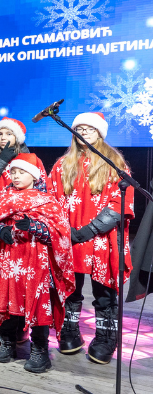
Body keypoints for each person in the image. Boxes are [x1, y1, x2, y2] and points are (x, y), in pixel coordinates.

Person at [0, 153, 75, 373]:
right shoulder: (2, 199)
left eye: (21, 172)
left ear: (33, 175)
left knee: (37, 301)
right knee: (7, 299)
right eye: (13, 171)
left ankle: (40, 349)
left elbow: (61, 233)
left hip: (36, 263)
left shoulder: (48, 201)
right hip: (8, 260)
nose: (16, 175)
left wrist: (35, 227)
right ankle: (7, 342)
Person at [49, 112, 134, 363]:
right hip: (69, 236)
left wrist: (89, 230)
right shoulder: (62, 165)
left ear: (99, 133)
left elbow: (122, 202)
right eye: (80, 128)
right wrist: (68, 232)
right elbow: (51, 202)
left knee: (104, 292)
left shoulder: (115, 163)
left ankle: (106, 337)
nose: (84, 132)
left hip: (100, 236)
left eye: (89, 128)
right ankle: (70, 331)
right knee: (70, 288)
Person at [0, 117, 46, 211]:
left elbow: (42, 188)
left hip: (24, 214)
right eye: (0, 134)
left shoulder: (32, 160)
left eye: (9, 134)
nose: (3, 137)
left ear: (17, 137)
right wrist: (2, 159)